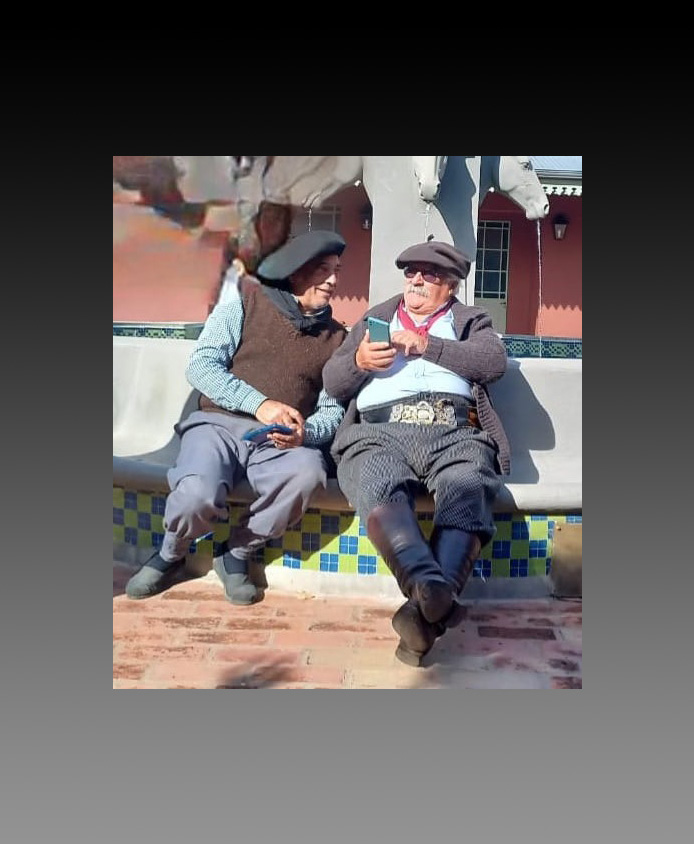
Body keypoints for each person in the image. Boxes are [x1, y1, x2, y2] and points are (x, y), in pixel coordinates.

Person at [125, 230, 348, 603]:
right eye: (323, 269)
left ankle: (236, 552)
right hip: (217, 426)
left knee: (307, 474)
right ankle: (171, 553)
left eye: (337, 270)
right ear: (296, 270)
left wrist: (305, 434)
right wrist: (259, 404)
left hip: (277, 441)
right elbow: (202, 367)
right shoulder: (245, 305)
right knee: (197, 493)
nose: (333, 281)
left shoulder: (337, 338)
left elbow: (331, 409)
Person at [322, 239, 511, 666]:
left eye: (430, 274)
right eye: (411, 272)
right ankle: (430, 592)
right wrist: (359, 362)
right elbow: (333, 381)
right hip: (379, 432)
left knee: (468, 482)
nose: (417, 280)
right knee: (376, 478)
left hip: (454, 432)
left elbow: (493, 363)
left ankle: (422, 611)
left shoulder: (470, 320)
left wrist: (427, 345)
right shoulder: (375, 319)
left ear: (452, 285)